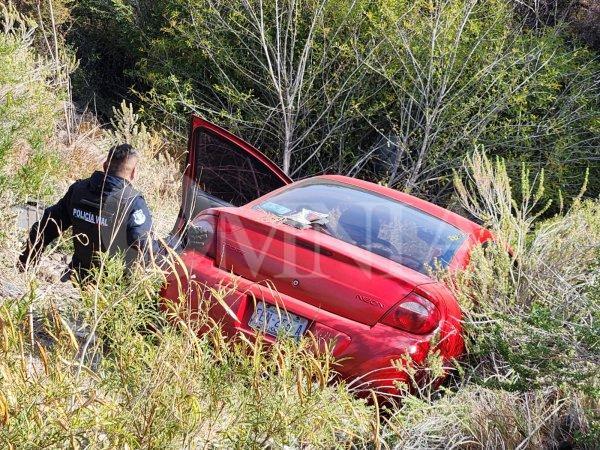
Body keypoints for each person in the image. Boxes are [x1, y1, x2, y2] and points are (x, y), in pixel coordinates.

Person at [18, 144, 159, 280]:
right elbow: (145, 246)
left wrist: (27, 259)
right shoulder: (133, 202)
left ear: (105, 165)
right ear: (134, 172)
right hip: (113, 284)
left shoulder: (79, 190)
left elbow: (48, 224)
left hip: (81, 274)